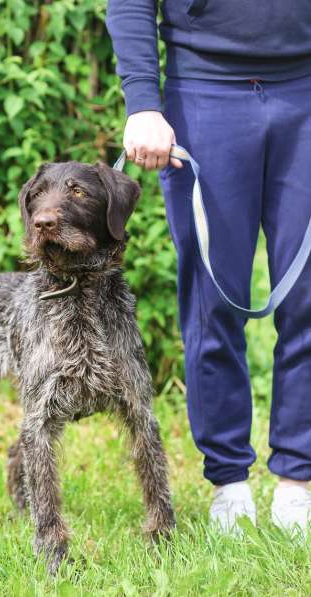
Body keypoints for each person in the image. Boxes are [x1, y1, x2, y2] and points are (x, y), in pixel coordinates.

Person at [105, 0, 311, 534]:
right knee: (212, 301)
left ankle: (298, 486)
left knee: (308, 297)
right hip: (204, 95)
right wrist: (142, 103)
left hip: (305, 89)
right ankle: (229, 483)